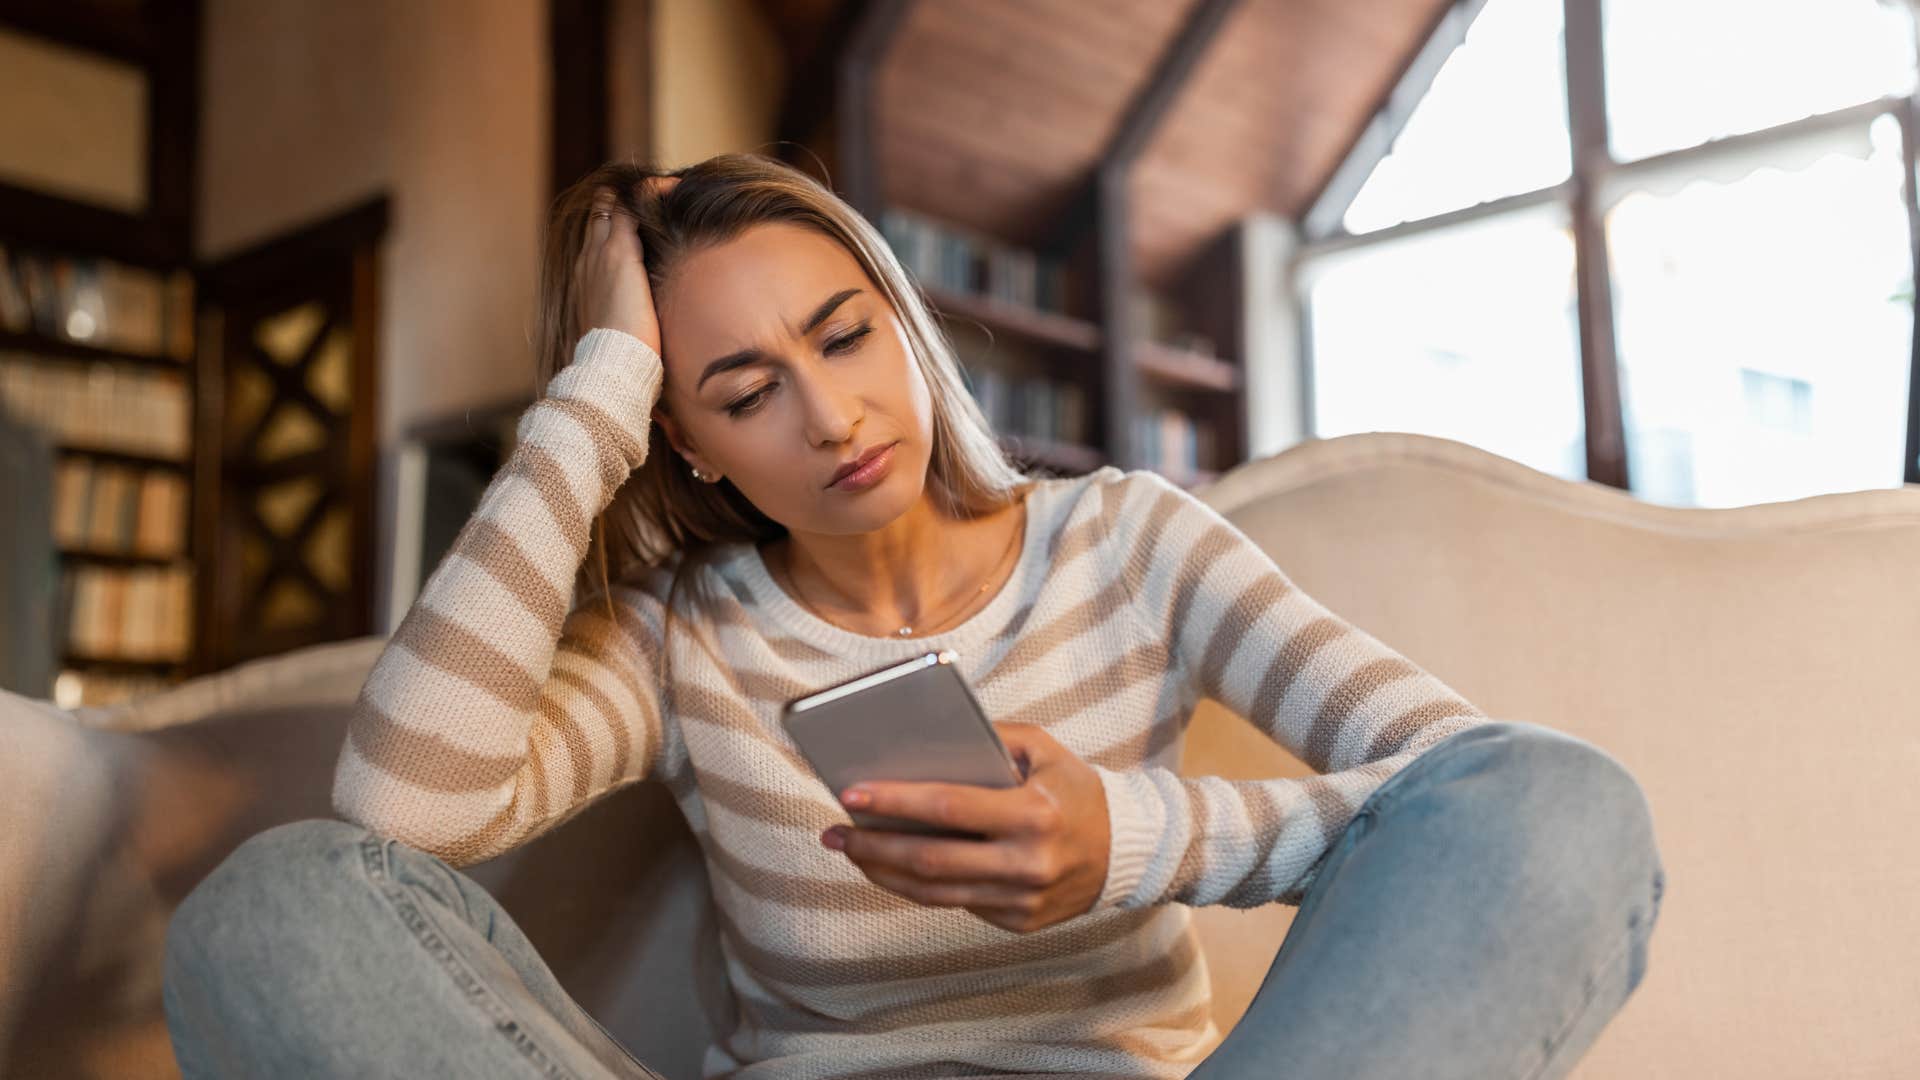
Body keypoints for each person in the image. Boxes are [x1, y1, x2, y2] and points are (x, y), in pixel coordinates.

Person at [161, 152, 1666, 1080]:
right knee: (277, 901)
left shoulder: (1129, 542)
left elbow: (1467, 797)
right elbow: (403, 811)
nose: (830, 416)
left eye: (844, 335)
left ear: (903, 315)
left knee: (1567, 804)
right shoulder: (687, 637)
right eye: (744, 394)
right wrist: (595, 393)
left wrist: (1128, 842)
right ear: (689, 443)